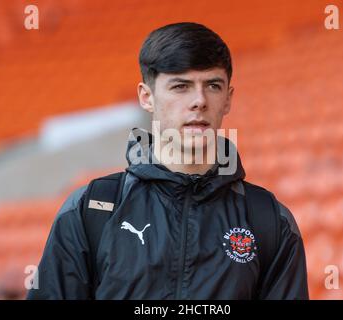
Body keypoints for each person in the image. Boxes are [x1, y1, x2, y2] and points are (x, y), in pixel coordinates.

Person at [27, 22, 309, 300]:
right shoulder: (92, 210)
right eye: (180, 86)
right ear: (146, 97)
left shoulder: (268, 220)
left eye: (212, 85)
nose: (199, 101)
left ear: (228, 99)